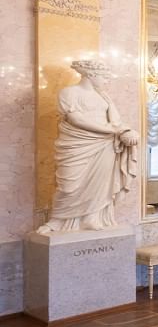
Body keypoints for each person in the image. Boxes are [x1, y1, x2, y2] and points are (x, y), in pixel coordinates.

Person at [38, 60, 139, 233]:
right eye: (104, 77)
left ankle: (92, 217)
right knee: (69, 183)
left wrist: (126, 131)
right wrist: (113, 130)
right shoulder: (69, 93)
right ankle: (57, 220)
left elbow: (115, 120)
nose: (106, 81)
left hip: (104, 146)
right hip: (76, 144)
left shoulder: (103, 96)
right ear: (91, 75)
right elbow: (76, 119)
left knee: (101, 182)